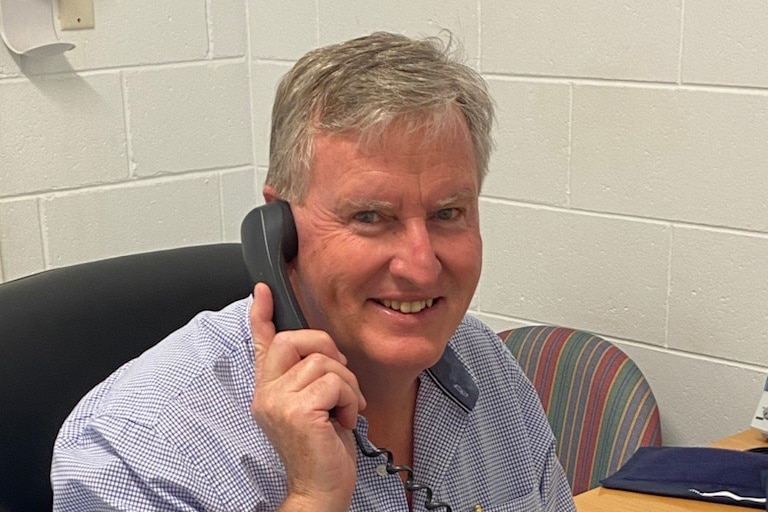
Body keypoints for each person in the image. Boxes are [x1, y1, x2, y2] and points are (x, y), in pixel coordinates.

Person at [51, 32, 576, 511]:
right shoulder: (140, 446)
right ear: (280, 231)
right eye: (370, 217)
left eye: (447, 214)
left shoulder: (490, 372)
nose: (420, 266)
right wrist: (311, 496)